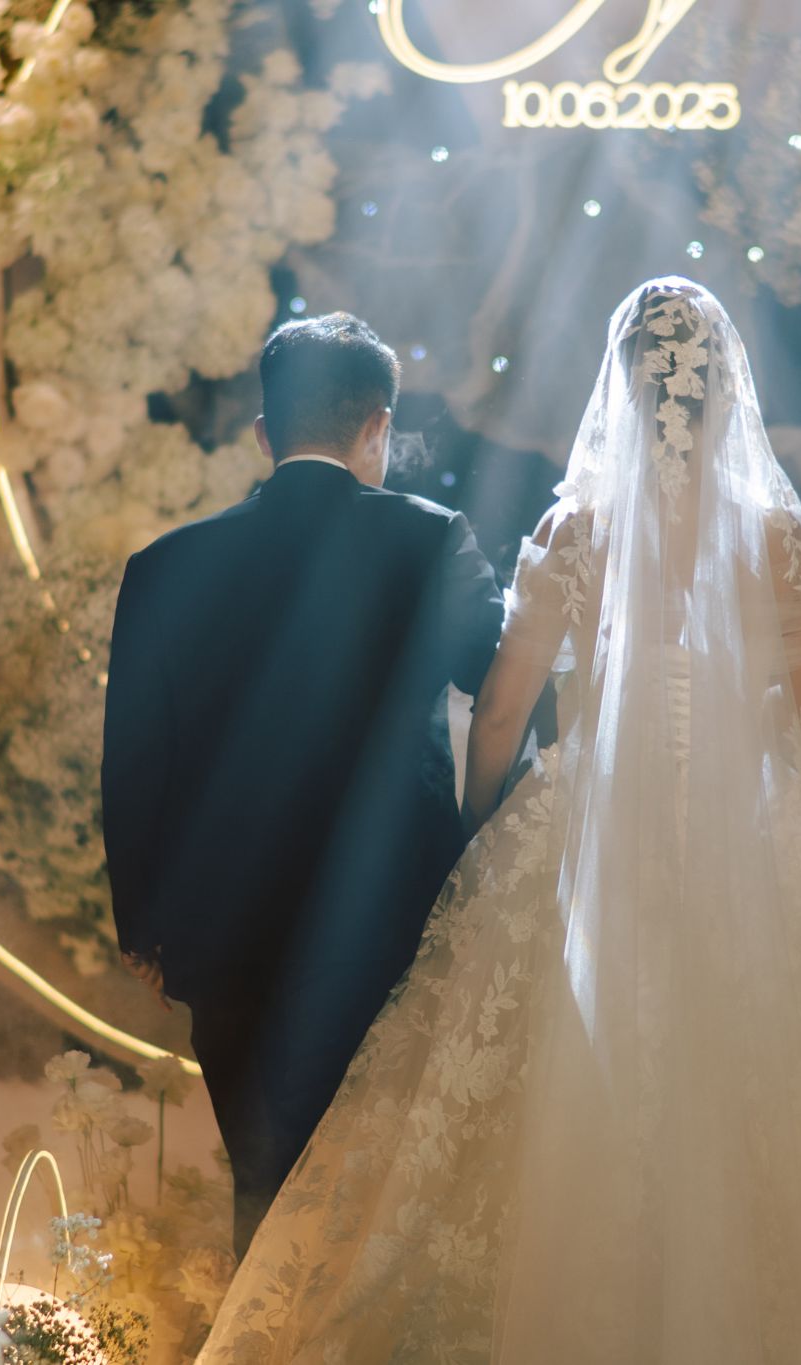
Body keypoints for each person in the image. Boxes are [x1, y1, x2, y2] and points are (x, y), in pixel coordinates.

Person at [199, 280, 801, 1362]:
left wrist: (481, 833)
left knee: (544, 1099)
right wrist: (761, 820)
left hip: (582, 844)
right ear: (723, 390)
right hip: (745, 849)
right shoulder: (782, 538)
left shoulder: (575, 531)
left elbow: (499, 712)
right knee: (772, 1107)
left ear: (622, 392)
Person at [100, 313, 506, 1256]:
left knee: (269, 1196)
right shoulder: (428, 539)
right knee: (388, 1204)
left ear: (263, 433)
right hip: (393, 921)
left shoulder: (164, 568)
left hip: (224, 935)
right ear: (378, 427)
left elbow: (136, 759)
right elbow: (500, 689)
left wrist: (144, 926)